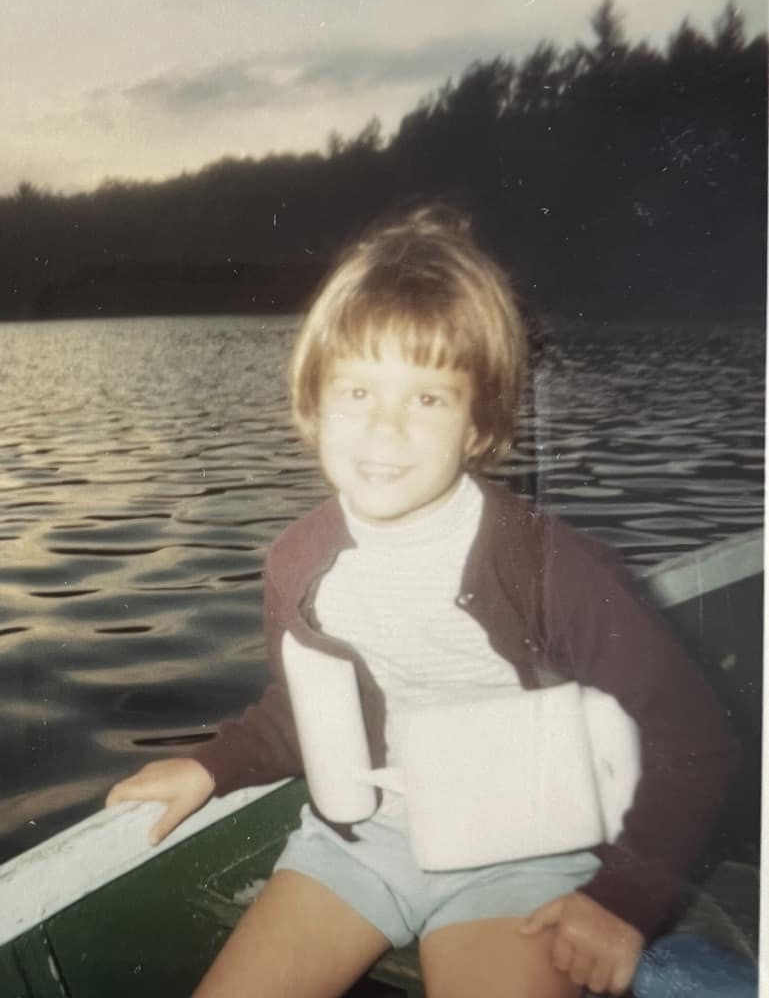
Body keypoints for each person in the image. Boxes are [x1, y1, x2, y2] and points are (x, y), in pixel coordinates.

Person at [106, 205, 738, 998]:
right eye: (358, 392)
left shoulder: (552, 569)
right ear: (311, 406)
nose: (384, 430)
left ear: (479, 425)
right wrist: (210, 766)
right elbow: (303, 711)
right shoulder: (297, 562)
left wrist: (624, 901)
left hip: (522, 857)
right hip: (356, 847)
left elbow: (691, 735)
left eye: (428, 400)